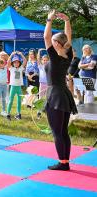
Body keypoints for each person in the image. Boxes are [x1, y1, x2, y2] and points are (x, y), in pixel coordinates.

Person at [44, 10, 77, 170]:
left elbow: (46, 37)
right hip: (63, 94)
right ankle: (65, 162)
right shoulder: (68, 55)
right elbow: (68, 38)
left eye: (53, 40)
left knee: (57, 132)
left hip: (56, 96)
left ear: (56, 44)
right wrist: (67, 20)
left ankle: (63, 163)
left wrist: (49, 19)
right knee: (63, 131)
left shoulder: (55, 58)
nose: (51, 41)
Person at [6, 52, 27, 121]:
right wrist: (11, 55)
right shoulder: (11, 68)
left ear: (19, 63)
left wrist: (21, 54)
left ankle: (18, 114)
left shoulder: (21, 68)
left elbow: (25, 61)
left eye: (17, 62)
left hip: (19, 87)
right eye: (14, 62)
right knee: (10, 100)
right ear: (13, 63)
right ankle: (8, 114)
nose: (16, 63)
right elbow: (8, 61)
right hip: (13, 87)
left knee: (19, 101)